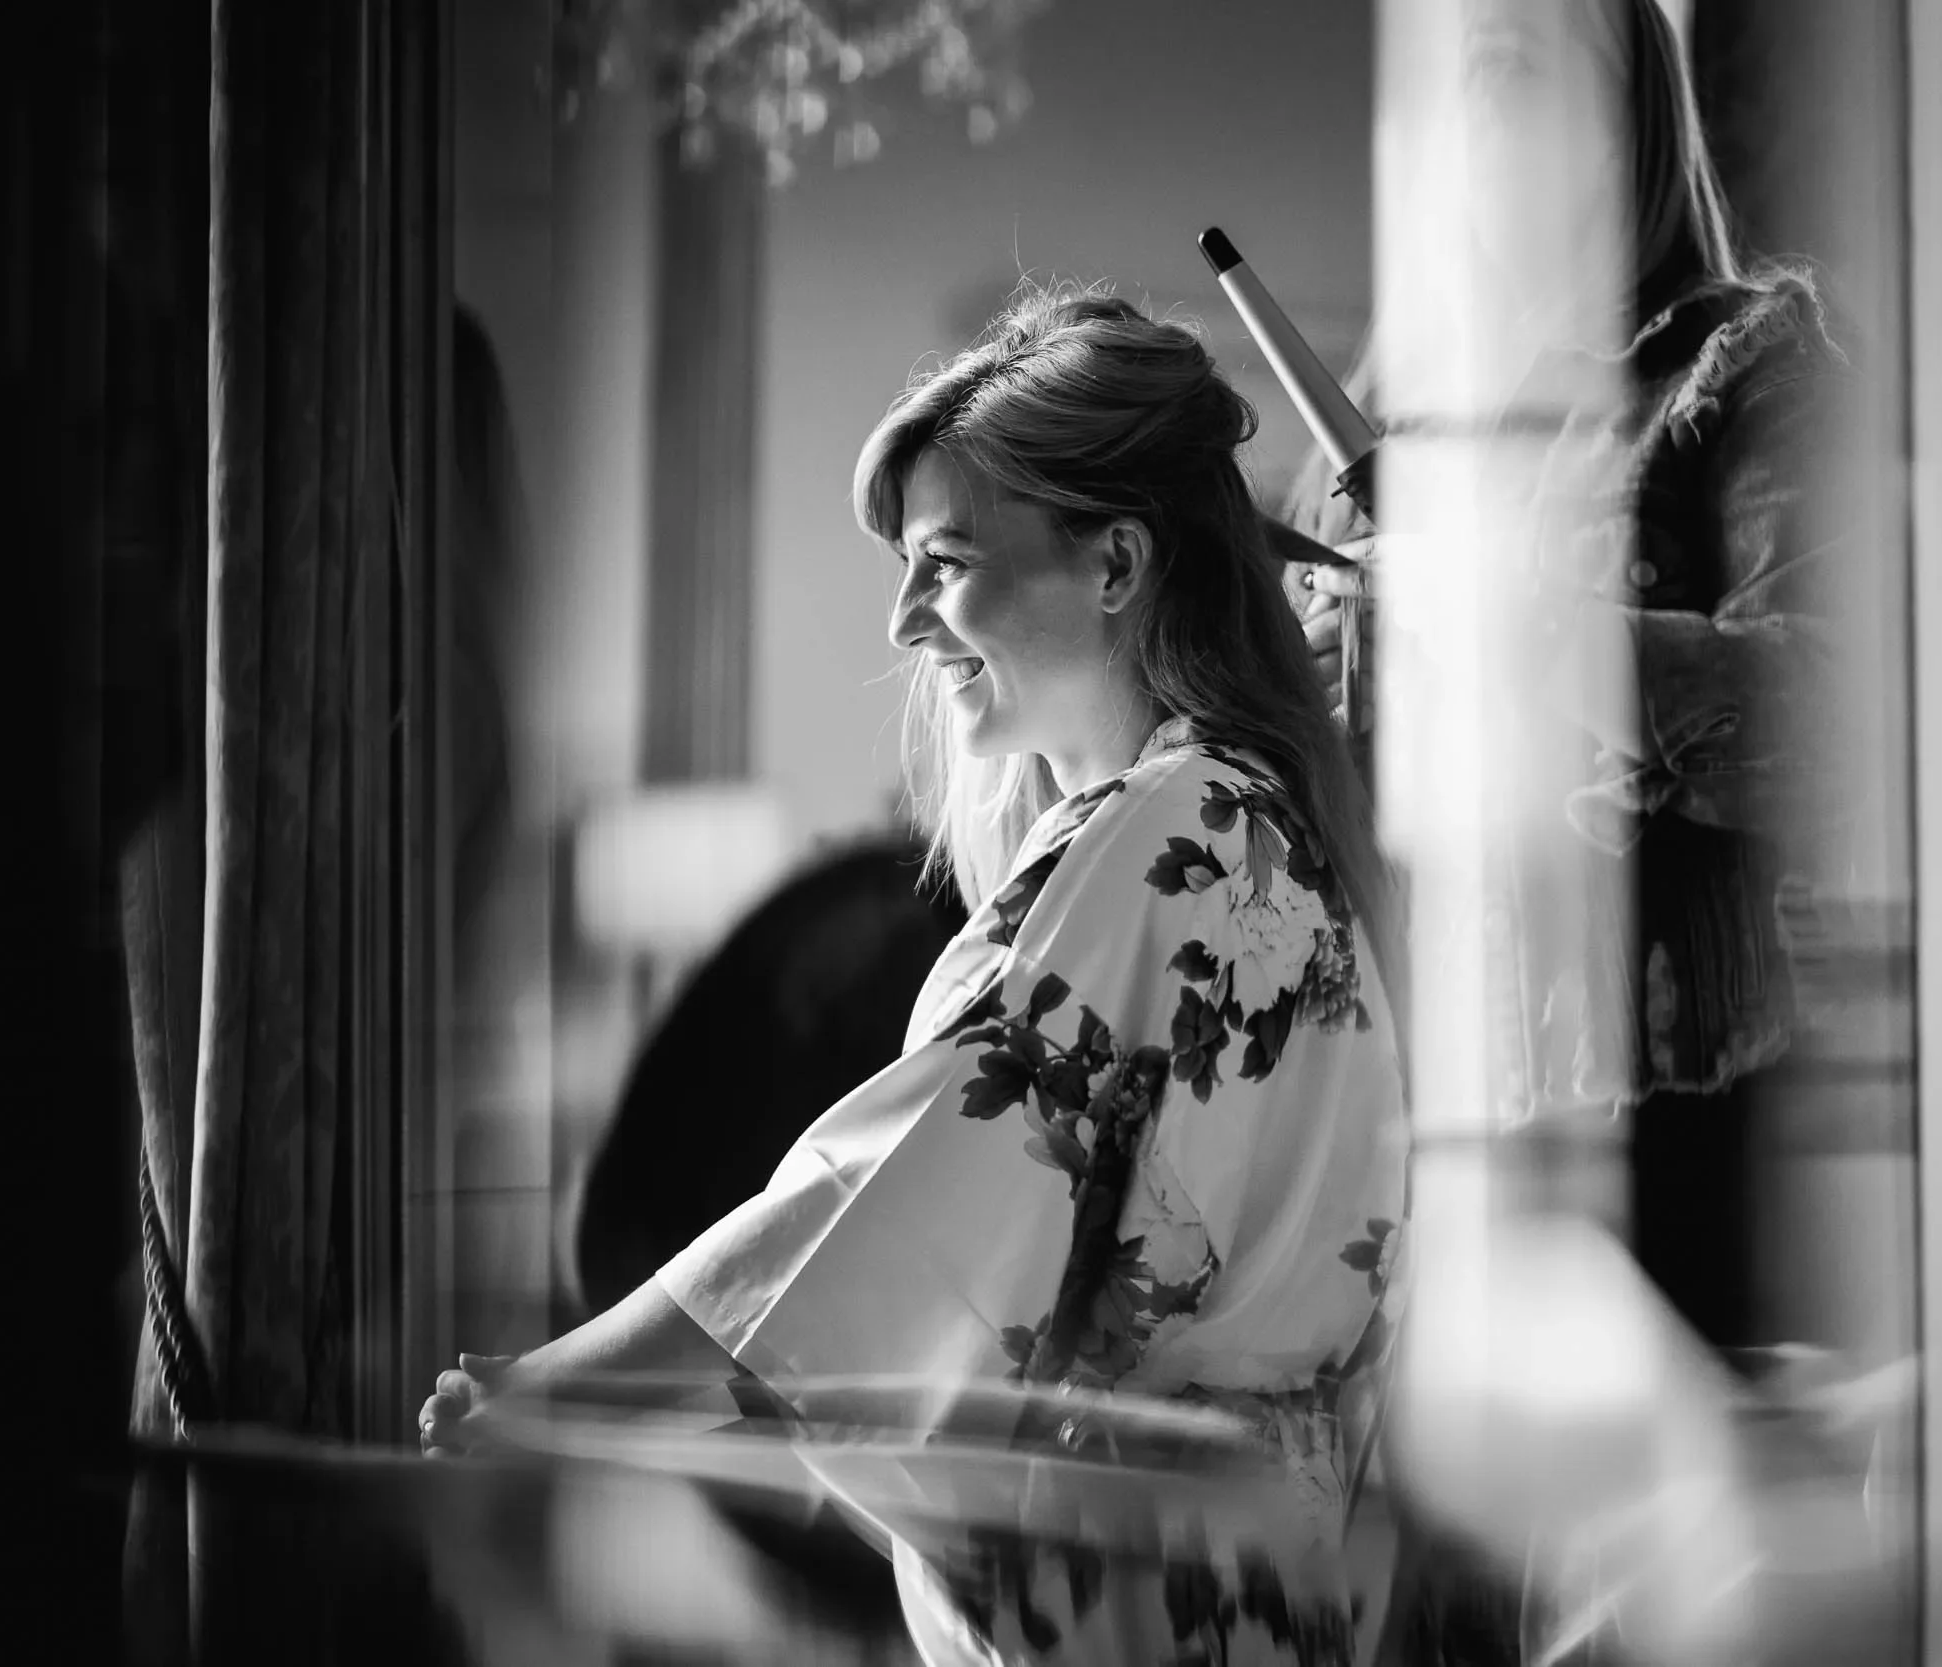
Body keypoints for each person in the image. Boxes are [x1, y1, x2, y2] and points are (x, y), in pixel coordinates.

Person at [424, 285, 1411, 1667]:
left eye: (945, 560)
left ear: (1116, 561)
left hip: (1160, 1609)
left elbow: (907, 1195)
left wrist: (557, 1383)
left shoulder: (1181, 835)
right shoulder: (1244, 816)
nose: (903, 622)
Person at [1282, 1, 1863, 1658]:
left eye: (1527, 61)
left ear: (1632, 103)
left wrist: (1525, 628)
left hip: (1667, 1136)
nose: (1483, 104)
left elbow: (1826, 713)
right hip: (1408, 1153)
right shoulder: (1380, 442)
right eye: (1458, 71)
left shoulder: (1741, 359)